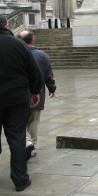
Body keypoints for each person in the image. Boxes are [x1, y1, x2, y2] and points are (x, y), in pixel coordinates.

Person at [0, 15, 41, 192]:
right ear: (7, 25)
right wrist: (35, 91)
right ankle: (20, 179)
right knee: (17, 138)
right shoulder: (18, 44)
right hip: (16, 99)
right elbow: (34, 70)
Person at [19, 31, 56, 159]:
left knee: (17, 121)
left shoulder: (18, 54)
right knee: (33, 121)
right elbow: (48, 74)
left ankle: (26, 143)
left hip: (20, 93)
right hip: (37, 94)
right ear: (32, 40)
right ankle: (32, 145)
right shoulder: (42, 55)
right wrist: (52, 88)